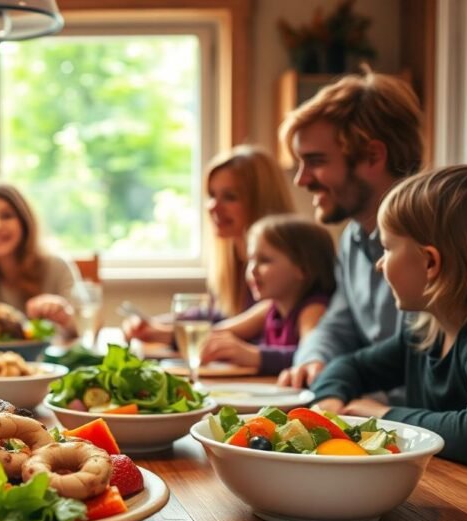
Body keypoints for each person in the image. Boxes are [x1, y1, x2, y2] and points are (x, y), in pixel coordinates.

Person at [310, 165, 467, 469]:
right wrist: (329, 401)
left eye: (388, 249)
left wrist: (381, 415)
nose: (380, 265)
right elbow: (351, 366)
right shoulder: (423, 334)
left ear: (430, 262)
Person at [277, 68, 424, 389]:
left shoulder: (433, 244)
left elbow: (424, 371)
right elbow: (338, 327)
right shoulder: (352, 239)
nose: (301, 179)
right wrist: (312, 360)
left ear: (373, 156)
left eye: (315, 161)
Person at [123, 145, 296, 343]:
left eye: (230, 197)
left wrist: (165, 334)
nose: (213, 206)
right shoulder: (234, 261)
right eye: (212, 195)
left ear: (260, 201)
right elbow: (217, 315)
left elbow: (243, 325)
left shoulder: (280, 270)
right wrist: (153, 323)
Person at [200, 215, 335, 375]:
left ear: (302, 269)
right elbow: (217, 332)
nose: (252, 270)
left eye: (264, 260)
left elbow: (311, 358)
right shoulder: (271, 307)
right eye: (251, 259)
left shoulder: (313, 309)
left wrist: (252, 355)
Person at [0, 179, 79, 335]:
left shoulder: (57, 267)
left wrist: (64, 315)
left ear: (24, 221)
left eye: (6, 216)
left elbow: (82, 327)